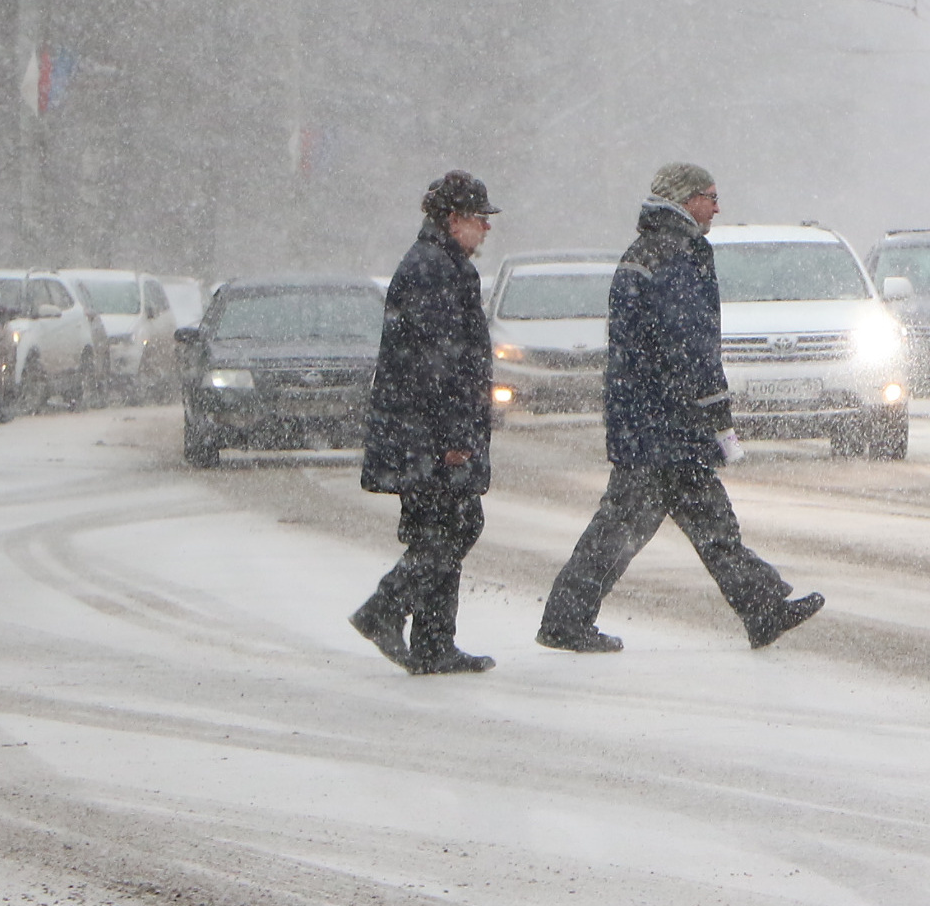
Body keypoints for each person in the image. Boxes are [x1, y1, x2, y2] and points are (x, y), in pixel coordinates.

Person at [538, 162, 823, 652]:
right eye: (711, 196)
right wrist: (716, 412)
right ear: (686, 200)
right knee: (627, 525)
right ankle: (565, 621)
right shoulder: (675, 255)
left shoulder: (653, 250)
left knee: (703, 520)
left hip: (653, 419)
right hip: (664, 423)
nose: (717, 206)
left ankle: (762, 607)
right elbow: (688, 345)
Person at [351, 170, 502, 674]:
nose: (486, 229)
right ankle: (386, 609)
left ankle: (434, 644)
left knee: (439, 527)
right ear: (455, 219)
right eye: (480, 219)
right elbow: (440, 364)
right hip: (430, 433)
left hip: (418, 429)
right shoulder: (438, 269)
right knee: (456, 522)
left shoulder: (435, 263)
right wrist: (454, 438)